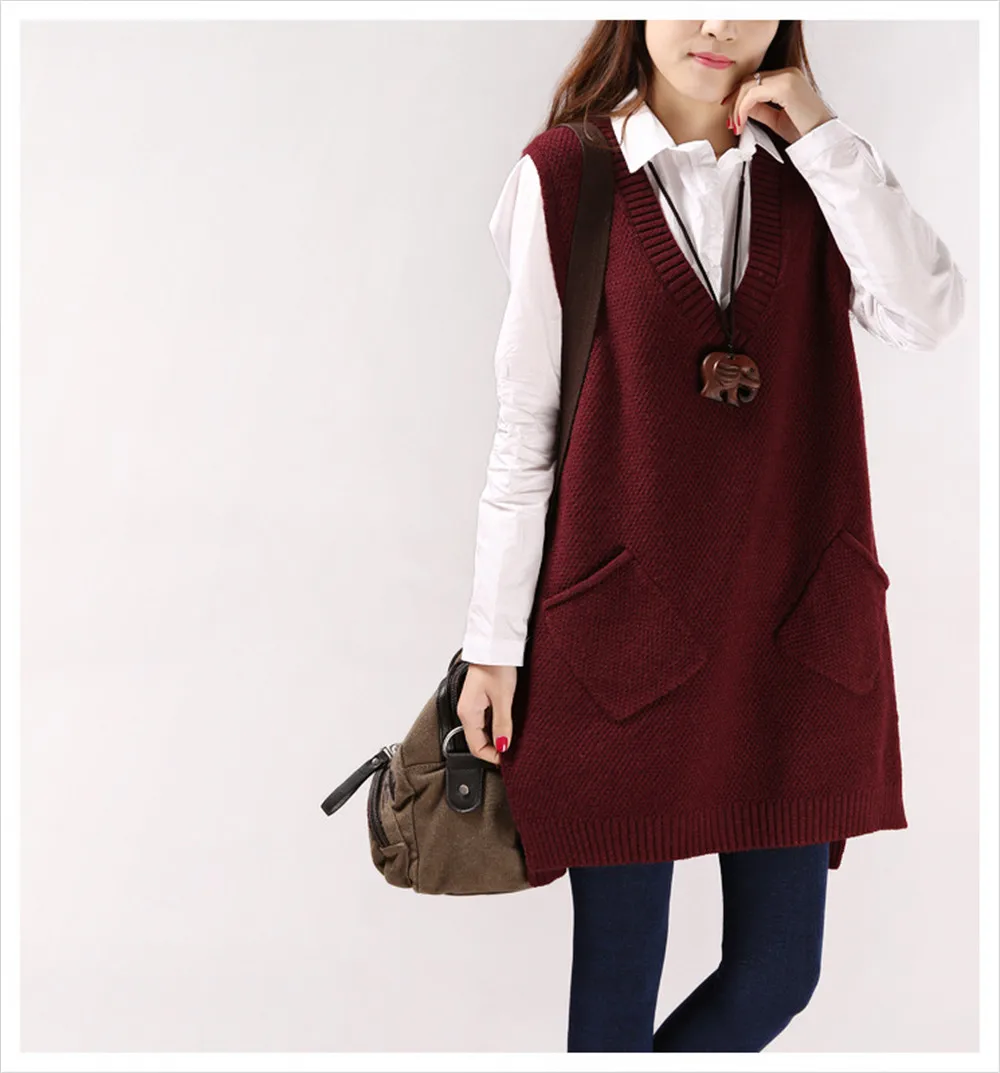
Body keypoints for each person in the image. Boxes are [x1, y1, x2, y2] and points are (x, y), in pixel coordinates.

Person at [455, 20, 965, 1052]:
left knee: (777, 974)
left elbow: (927, 312)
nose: (719, 23)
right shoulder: (564, 177)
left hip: (792, 644)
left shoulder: (816, 173)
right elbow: (526, 431)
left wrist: (823, 137)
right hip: (623, 646)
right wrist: (493, 645)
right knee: (615, 998)